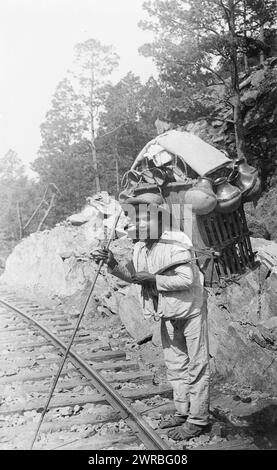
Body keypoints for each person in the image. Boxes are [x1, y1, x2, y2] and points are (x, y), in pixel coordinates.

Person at [92, 194, 210, 441]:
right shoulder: (140, 247)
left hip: (190, 311)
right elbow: (132, 276)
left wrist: (154, 279)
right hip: (167, 314)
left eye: (140, 220)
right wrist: (111, 263)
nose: (132, 226)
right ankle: (182, 412)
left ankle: (198, 420)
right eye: (132, 220)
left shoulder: (175, 243)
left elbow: (186, 279)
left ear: (156, 220)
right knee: (176, 366)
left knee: (196, 366)